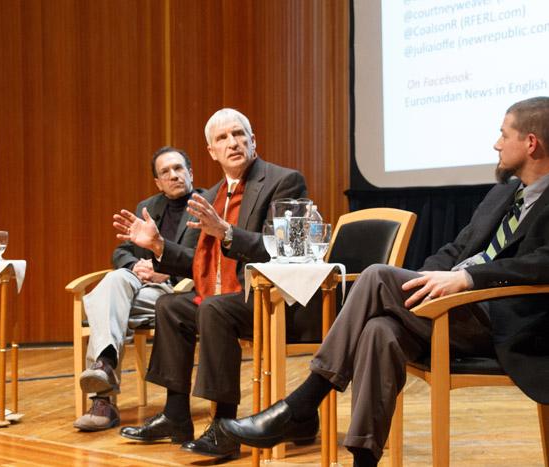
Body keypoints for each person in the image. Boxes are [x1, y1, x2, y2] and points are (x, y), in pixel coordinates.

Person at [218, 96, 549, 466]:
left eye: (504, 135)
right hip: (460, 310)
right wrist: (425, 280)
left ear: (531, 143)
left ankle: (302, 403)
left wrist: (469, 278)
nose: (496, 144)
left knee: (377, 275)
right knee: (379, 330)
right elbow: (458, 246)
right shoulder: (504, 193)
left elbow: (542, 263)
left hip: (507, 322)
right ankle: (364, 461)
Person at [112, 108, 308, 459]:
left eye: (239, 134)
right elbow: (198, 263)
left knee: (214, 309)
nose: (232, 142)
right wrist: (158, 245)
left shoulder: (284, 181)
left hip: (273, 299)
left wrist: (229, 233)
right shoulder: (214, 193)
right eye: (222, 138)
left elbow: (291, 249)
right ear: (211, 152)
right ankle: (175, 416)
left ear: (253, 140)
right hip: (229, 298)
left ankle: (225, 425)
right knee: (171, 305)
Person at [73, 146, 202, 432]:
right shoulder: (149, 206)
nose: (173, 175)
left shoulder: (206, 204)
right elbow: (121, 251)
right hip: (139, 286)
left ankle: (103, 402)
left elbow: (206, 258)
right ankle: (104, 366)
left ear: (190, 172)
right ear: (158, 181)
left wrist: (164, 268)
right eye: (165, 172)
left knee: (106, 305)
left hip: (177, 289)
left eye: (179, 168)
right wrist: (135, 266)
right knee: (116, 280)